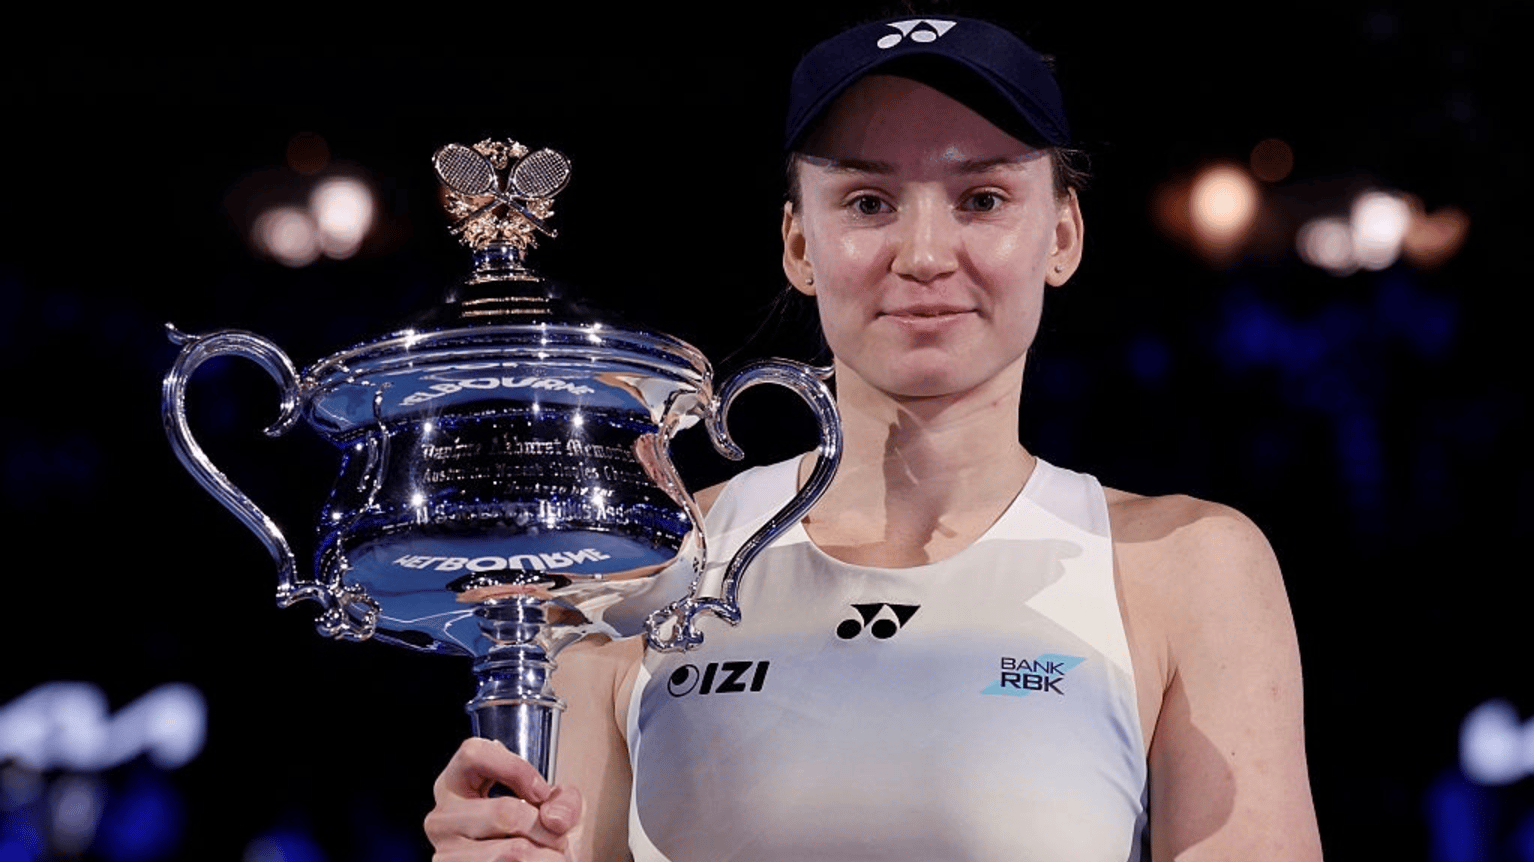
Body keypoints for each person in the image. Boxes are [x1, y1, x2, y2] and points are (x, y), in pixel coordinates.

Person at [425, 15, 1323, 862]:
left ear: (1062, 234)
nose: (925, 253)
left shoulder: (1191, 569)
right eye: (867, 201)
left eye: (981, 197)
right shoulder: (638, 564)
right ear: (799, 245)